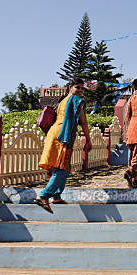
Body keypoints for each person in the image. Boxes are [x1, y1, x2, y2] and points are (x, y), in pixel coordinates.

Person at [36, 78, 91, 213]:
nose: (80, 91)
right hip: (62, 135)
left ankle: (56, 196)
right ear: (69, 87)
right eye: (77, 87)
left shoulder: (63, 101)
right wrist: (88, 140)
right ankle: (44, 196)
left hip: (54, 132)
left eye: (82, 88)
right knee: (62, 168)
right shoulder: (75, 100)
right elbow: (83, 123)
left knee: (60, 166)